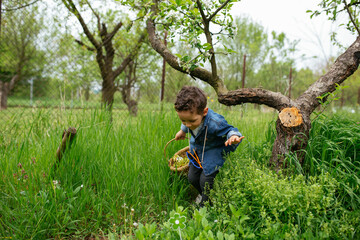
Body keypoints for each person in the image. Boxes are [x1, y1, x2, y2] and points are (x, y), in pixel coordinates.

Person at [174, 86, 244, 207]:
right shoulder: (189, 119)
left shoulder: (215, 122)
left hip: (212, 152)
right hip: (197, 150)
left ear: (204, 112)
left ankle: (206, 205)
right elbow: (187, 122)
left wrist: (233, 137)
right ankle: (204, 195)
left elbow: (230, 130)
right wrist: (183, 130)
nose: (188, 124)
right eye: (184, 121)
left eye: (192, 121)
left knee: (205, 181)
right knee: (192, 178)